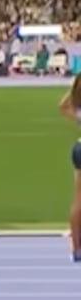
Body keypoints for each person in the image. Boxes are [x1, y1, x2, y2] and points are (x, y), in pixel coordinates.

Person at [61, 73, 81, 260]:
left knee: (78, 201)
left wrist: (73, 90)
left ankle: (77, 249)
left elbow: (62, 107)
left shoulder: (78, 105)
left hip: (79, 148)